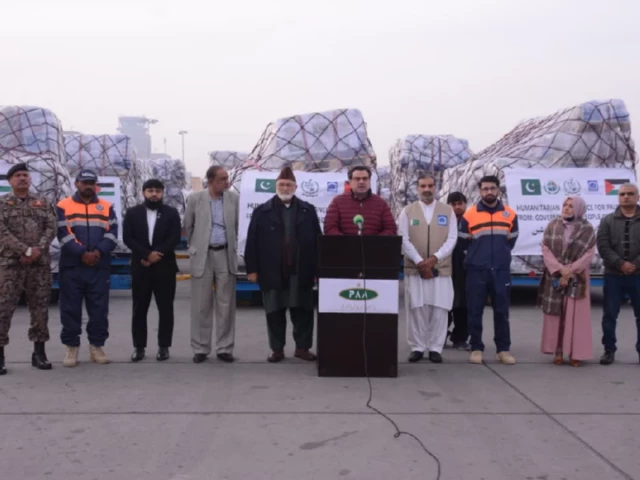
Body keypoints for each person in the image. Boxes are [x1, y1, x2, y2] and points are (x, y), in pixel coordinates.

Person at [245, 167, 322, 362]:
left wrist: (318, 269)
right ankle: (277, 349)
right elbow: (252, 242)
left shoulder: (308, 210)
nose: (285, 188)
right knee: (274, 311)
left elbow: (318, 241)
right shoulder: (262, 211)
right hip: (272, 271)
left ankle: (302, 348)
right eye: (281, 184)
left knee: (303, 311)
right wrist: (252, 269)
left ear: (295, 187)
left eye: (288, 185)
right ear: (276, 186)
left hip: (301, 270)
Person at [56, 169, 118, 367]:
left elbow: (112, 234)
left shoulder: (106, 207)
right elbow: (63, 234)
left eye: (92, 183)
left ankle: (97, 347)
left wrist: (98, 252)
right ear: (76, 184)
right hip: (72, 266)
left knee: (99, 310)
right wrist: (82, 253)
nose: (88, 186)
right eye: (85, 182)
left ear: (96, 185)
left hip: (99, 267)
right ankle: (71, 347)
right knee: (70, 309)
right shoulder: (63, 205)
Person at [0, 164, 57, 375]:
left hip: (38, 264)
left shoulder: (42, 202)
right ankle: (0, 356)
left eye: (25, 175)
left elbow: (51, 227)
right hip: (10, 265)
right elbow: (1, 231)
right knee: (3, 309)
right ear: (10, 181)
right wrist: (24, 250)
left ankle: (39, 353)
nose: (22, 178)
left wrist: (37, 250)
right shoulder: (2, 203)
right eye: (18, 175)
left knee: (40, 309)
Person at [458, 175, 519, 365]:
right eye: (485, 189)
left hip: (500, 270)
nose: (489, 192)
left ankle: (503, 350)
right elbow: (463, 243)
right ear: (480, 191)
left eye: (492, 188)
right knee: (475, 311)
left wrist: (500, 256)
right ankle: (476, 347)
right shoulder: (469, 215)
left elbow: (511, 240)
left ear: (498, 190)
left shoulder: (510, 214)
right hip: (476, 271)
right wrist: (477, 257)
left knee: (502, 311)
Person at [399, 174, 457, 363]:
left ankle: (435, 348)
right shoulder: (408, 211)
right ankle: (417, 347)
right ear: (417, 188)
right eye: (423, 186)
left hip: (441, 268)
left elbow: (452, 238)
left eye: (430, 186)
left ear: (435, 187)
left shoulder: (447, 211)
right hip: (415, 269)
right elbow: (404, 239)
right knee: (417, 308)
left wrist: (434, 259)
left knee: (440, 308)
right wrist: (420, 262)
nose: (427, 189)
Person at [185, 166, 239, 364]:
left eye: (227, 178)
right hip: (203, 255)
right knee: (201, 304)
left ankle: (224, 347)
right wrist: (195, 248)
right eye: (222, 179)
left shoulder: (233, 199)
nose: (226, 182)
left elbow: (237, 226)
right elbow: (188, 226)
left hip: (225, 253)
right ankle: (200, 348)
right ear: (210, 180)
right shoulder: (195, 199)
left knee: (226, 304)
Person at [123, 179, 181, 362]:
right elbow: (128, 238)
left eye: (157, 191)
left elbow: (174, 237)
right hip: (141, 266)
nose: (154, 194)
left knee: (166, 308)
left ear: (162, 193)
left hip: (165, 267)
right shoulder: (132, 213)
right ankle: (139, 347)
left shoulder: (171, 213)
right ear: (144, 193)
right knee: (139, 308)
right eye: (150, 191)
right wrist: (146, 255)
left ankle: (164, 347)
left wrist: (158, 254)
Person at [538, 196, 595, 367]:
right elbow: (545, 248)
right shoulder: (553, 225)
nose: (567, 208)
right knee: (556, 314)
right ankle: (558, 351)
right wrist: (559, 269)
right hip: (555, 274)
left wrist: (570, 270)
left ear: (579, 209)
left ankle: (575, 353)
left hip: (577, 277)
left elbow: (589, 253)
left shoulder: (587, 228)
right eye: (565, 205)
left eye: (571, 206)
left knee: (575, 317)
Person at [596, 182, 640, 365]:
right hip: (614, 275)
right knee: (609, 315)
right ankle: (609, 350)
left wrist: (634, 265)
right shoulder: (607, 221)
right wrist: (620, 264)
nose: (626, 197)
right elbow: (603, 246)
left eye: (630, 194)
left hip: (638, 276)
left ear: (637, 197)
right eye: (622, 194)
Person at [324, 165, 397, 235]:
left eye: (365, 178)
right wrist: (346, 242)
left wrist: (375, 241)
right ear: (350, 182)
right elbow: (329, 228)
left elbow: (391, 229)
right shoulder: (337, 202)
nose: (361, 182)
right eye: (357, 179)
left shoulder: (381, 203)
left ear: (369, 181)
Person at [446, 191, 469, 350]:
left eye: (460, 203)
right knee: (444, 306)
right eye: (453, 204)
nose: (457, 207)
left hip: (466, 270)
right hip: (446, 269)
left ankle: (460, 338)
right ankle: (440, 336)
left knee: (463, 306)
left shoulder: (470, 221)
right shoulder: (443, 222)